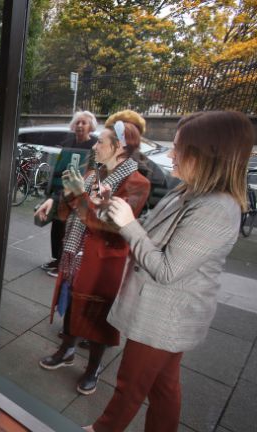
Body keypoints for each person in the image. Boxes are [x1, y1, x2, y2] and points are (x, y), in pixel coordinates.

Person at [85, 111, 254, 431]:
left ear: (208, 155)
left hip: (165, 316)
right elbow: (151, 231)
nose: (171, 154)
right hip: (166, 313)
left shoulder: (217, 208)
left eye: (179, 148)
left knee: (130, 385)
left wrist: (128, 224)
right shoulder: (190, 190)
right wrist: (110, 209)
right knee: (163, 386)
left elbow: (166, 269)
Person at [39, 120, 150, 396]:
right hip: (76, 252)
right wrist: (59, 200)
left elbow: (110, 225)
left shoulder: (137, 183)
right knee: (72, 301)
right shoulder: (94, 172)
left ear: (119, 147)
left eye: (101, 142)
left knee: (98, 315)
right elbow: (74, 209)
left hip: (103, 260)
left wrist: (78, 195)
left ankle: (93, 367)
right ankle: (67, 350)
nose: (95, 146)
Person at [35, 111, 98, 277]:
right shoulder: (68, 142)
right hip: (58, 190)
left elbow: (91, 172)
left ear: (91, 127)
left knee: (67, 228)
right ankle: (57, 259)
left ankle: (64, 265)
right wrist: (50, 188)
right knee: (56, 227)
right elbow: (58, 164)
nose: (80, 125)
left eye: (84, 123)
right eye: (77, 122)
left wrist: (77, 188)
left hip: (75, 193)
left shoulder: (94, 146)